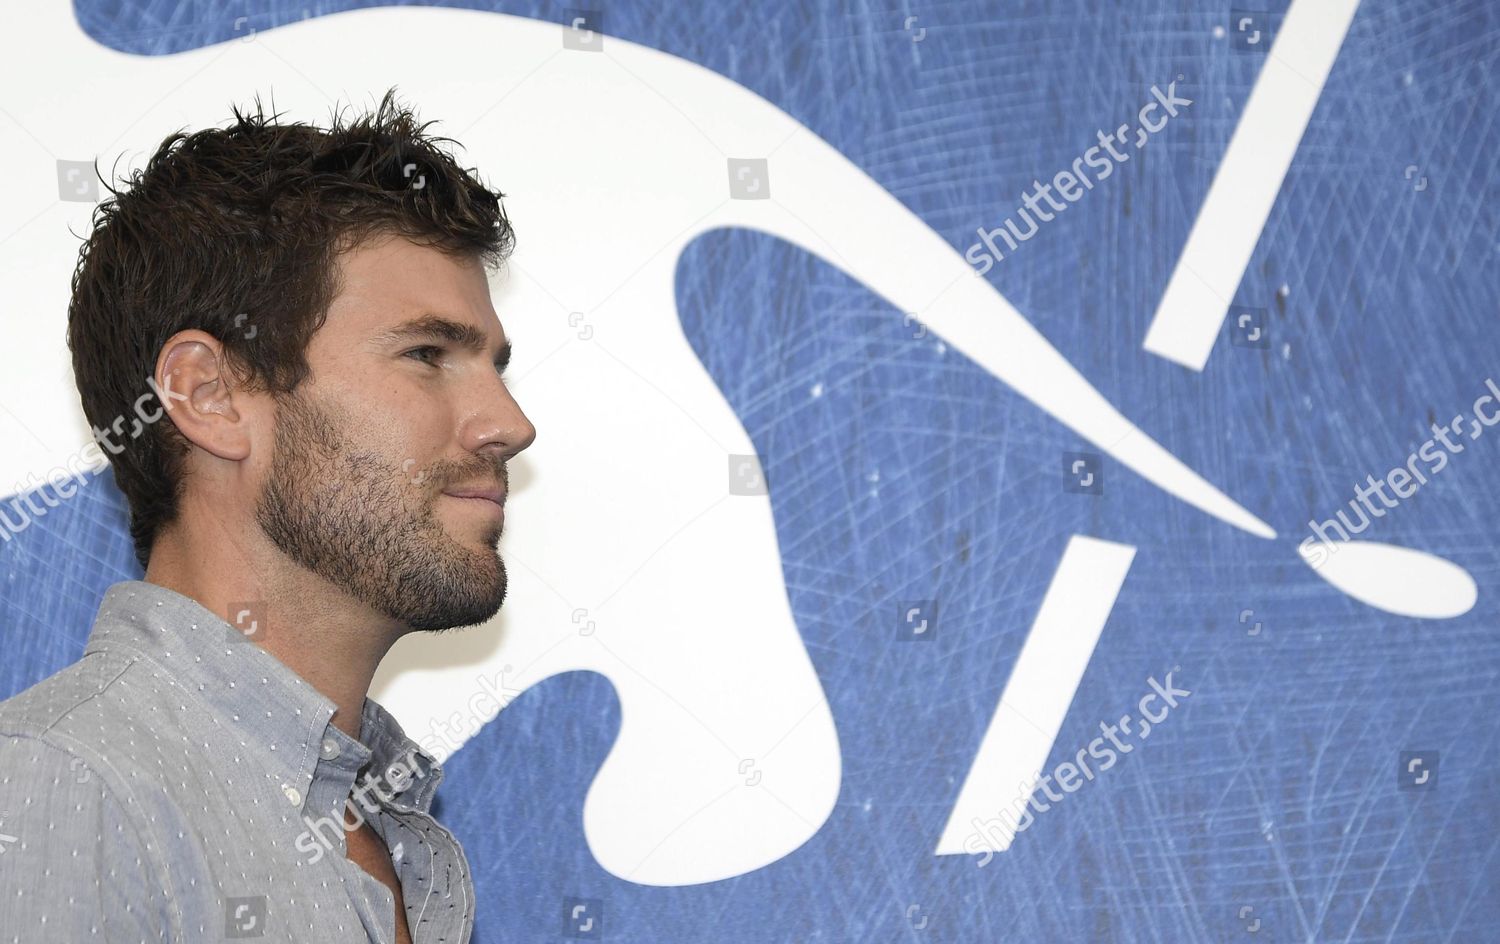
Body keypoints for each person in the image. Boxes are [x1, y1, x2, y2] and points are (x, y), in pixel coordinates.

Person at [0, 86, 535, 943]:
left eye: (495, 365)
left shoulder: (386, 828)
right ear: (209, 397)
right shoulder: (63, 787)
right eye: (428, 354)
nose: (509, 424)